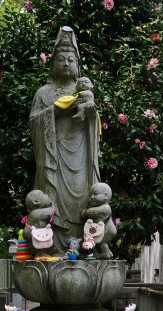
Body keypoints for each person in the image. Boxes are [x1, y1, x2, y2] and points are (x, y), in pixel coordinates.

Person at [29, 26, 101, 254]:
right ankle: (51, 248)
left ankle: (85, 248)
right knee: (52, 199)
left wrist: (89, 111)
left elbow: (95, 125)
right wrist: (55, 112)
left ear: (77, 64)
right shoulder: (44, 93)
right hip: (54, 158)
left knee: (82, 198)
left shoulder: (83, 90)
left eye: (71, 59)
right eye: (61, 59)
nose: (66, 63)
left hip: (80, 156)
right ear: (53, 63)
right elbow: (34, 123)